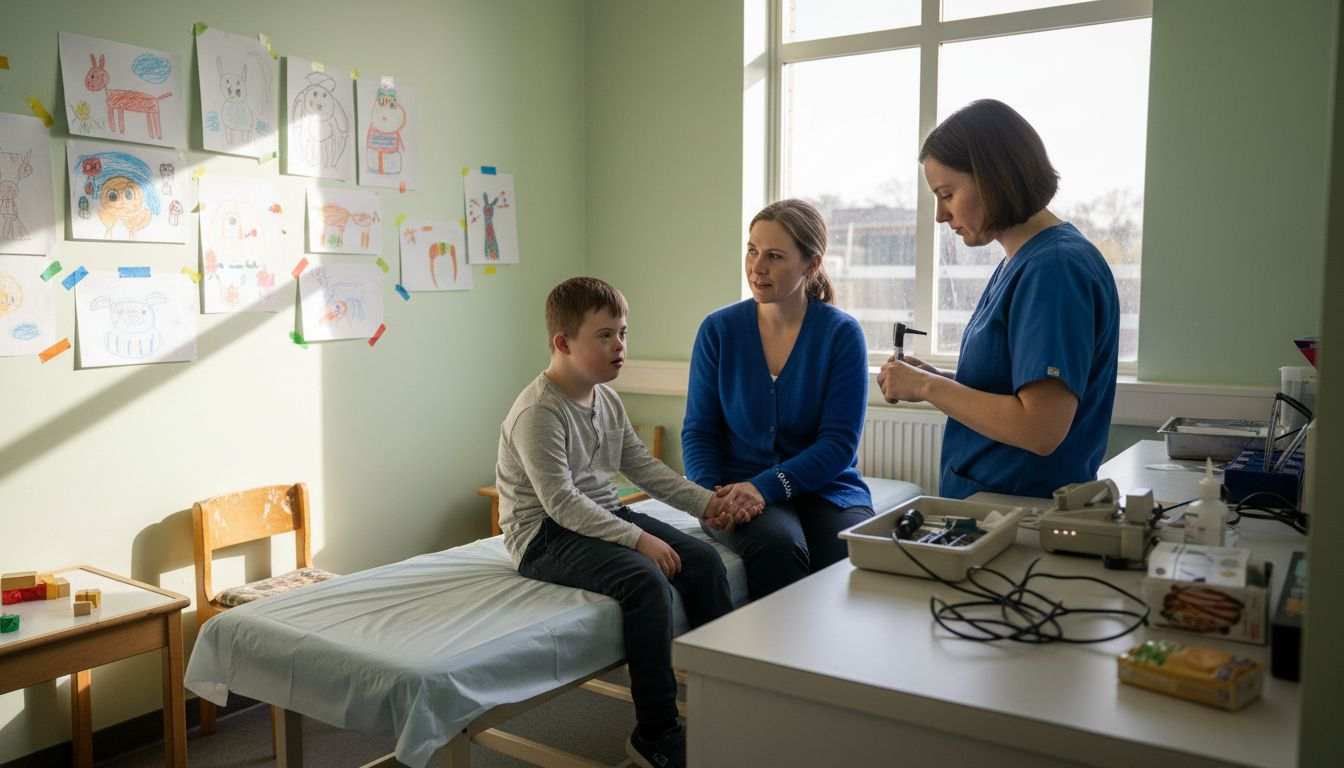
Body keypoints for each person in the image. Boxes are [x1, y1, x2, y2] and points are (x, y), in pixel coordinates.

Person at [496, 276, 751, 768]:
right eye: (606, 335)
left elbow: (645, 469)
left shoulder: (605, 399)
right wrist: (640, 541)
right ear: (563, 343)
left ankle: (725, 698)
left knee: (702, 560)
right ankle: (655, 732)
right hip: (544, 535)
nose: (620, 346)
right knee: (645, 581)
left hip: (600, 515)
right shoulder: (538, 413)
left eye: (624, 333)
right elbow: (562, 503)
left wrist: (707, 505)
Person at [877, 99, 1120, 499]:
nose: (940, 215)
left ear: (993, 178)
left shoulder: (1054, 269)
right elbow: (1013, 389)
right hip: (992, 503)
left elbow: (1039, 427)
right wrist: (936, 379)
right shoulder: (1021, 261)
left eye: (947, 193)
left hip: (1019, 510)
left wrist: (926, 388)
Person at [682, 199, 873, 601]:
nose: (756, 267)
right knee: (779, 547)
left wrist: (767, 486)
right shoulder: (718, 330)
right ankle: (769, 662)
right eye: (751, 250)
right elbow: (700, 431)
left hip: (827, 488)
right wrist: (708, 497)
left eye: (774, 256)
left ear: (811, 264)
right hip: (735, 489)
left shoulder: (841, 335)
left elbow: (838, 444)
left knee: (847, 550)